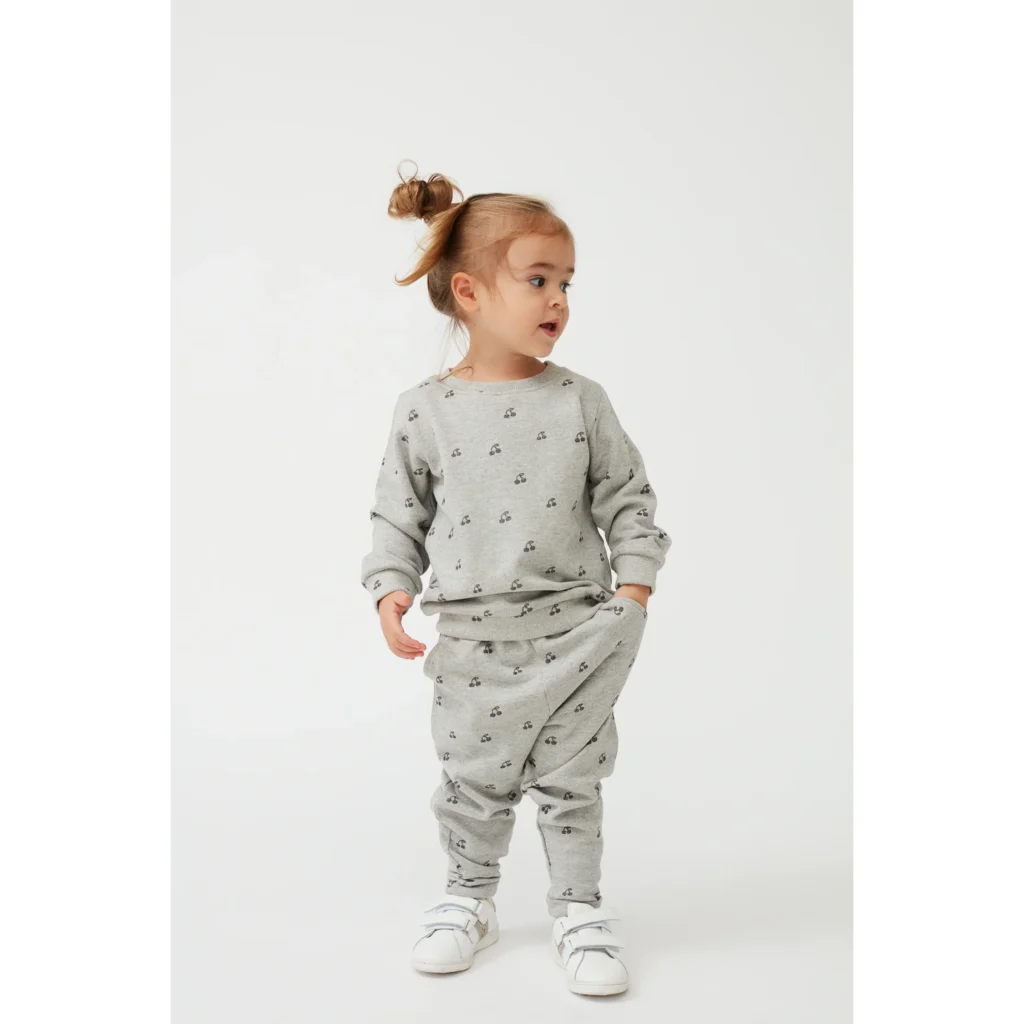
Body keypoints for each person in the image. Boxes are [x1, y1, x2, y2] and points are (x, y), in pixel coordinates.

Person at [360, 162, 673, 997]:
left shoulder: (582, 401)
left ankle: (578, 908)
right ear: (468, 291)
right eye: (538, 279)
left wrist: (633, 593)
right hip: (473, 641)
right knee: (473, 780)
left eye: (566, 282)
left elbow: (630, 501)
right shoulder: (424, 409)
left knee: (573, 781)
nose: (559, 299)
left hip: (578, 634)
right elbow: (397, 512)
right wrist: (391, 585)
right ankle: (470, 899)